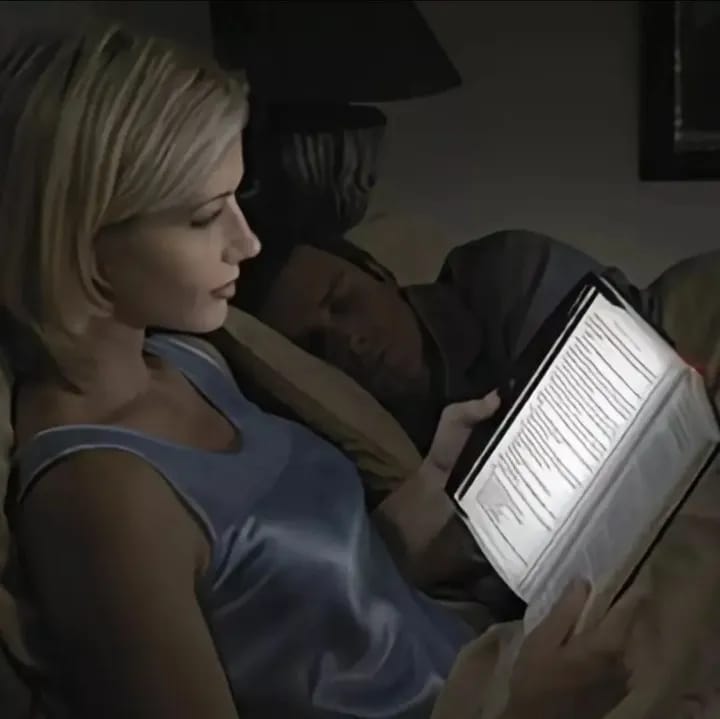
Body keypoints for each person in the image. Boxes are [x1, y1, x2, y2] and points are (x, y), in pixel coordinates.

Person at [0, 23, 638, 719]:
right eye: (205, 217)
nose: (246, 242)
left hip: (480, 657)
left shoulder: (187, 359)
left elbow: (314, 603)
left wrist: (437, 479)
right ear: (82, 237)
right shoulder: (98, 497)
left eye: (238, 200)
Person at [236, 233, 655, 454]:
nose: (353, 343)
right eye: (316, 346)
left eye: (344, 302)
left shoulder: (505, 274)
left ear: (379, 272)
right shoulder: (367, 445)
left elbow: (613, 411)